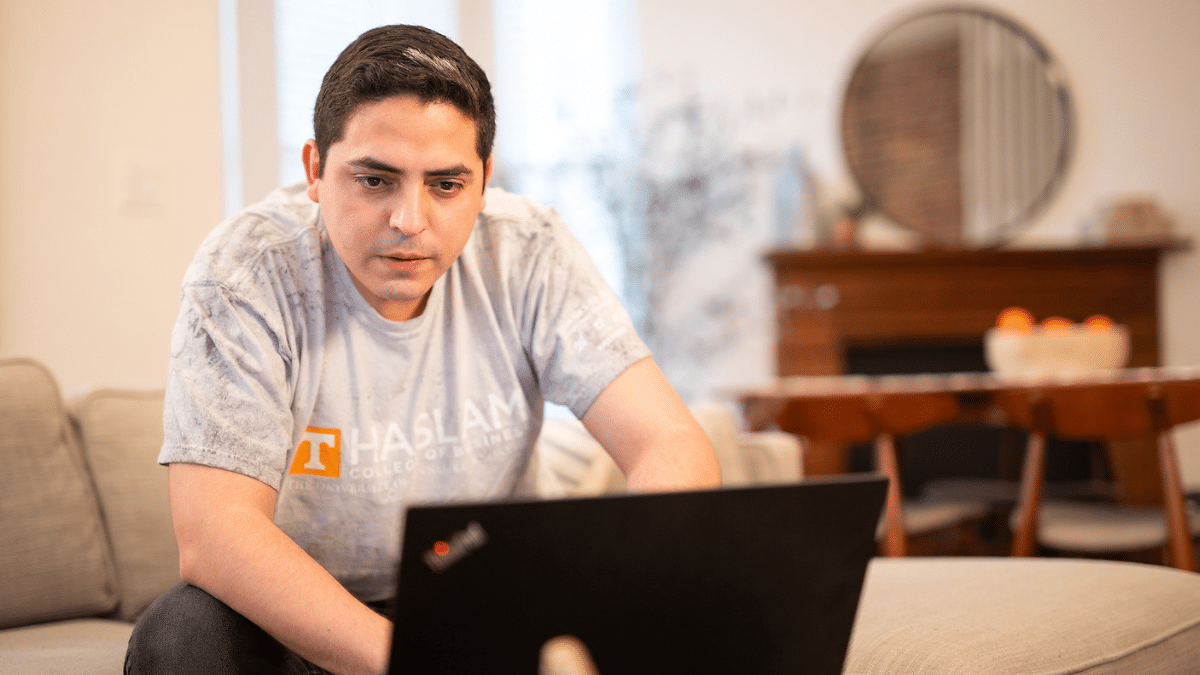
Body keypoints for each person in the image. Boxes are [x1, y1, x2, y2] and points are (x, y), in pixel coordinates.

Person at [125, 24, 721, 675]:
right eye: (376, 180)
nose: (410, 219)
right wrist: (413, 659)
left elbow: (669, 441)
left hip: (480, 599)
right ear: (315, 170)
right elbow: (217, 536)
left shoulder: (528, 252)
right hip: (299, 621)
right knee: (185, 633)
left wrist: (635, 587)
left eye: (446, 184)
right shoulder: (246, 272)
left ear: (484, 180)